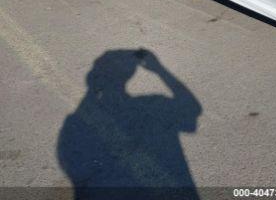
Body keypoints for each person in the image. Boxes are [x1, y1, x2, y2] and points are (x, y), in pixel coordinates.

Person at [57, 49, 202, 200]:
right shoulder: (152, 104)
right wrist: (159, 70)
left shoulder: (74, 123)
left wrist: (91, 93)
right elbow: (191, 110)